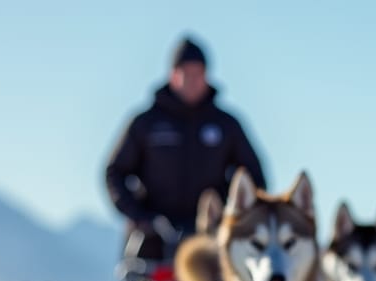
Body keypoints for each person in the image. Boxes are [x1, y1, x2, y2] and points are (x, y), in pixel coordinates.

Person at [104, 36, 266, 260]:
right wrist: (142, 217)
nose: (193, 80)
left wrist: (230, 217)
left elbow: (253, 177)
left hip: (211, 239)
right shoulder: (146, 124)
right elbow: (115, 173)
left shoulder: (226, 125)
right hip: (154, 241)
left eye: (198, 73)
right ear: (173, 75)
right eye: (186, 73)